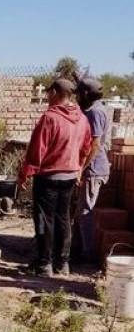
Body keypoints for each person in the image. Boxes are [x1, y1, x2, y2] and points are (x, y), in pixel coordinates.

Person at [18, 78, 92, 277]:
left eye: (49, 92)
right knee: (63, 219)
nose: (47, 96)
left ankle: (44, 264)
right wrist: (78, 170)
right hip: (69, 177)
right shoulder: (82, 119)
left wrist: (25, 173)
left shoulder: (50, 118)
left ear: (57, 93)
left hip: (48, 177)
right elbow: (86, 147)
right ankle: (63, 263)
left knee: (44, 220)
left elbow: (36, 150)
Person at [73, 77, 111, 263]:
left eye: (79, 93)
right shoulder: (94, 109)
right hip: (92, 169)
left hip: (94, 170)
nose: (77, 97)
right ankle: (79, 247)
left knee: (85, 211)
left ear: (86, 94)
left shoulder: (96, 112)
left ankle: (87, 254)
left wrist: (81, 168)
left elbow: (95, 145)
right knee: (80, 210)